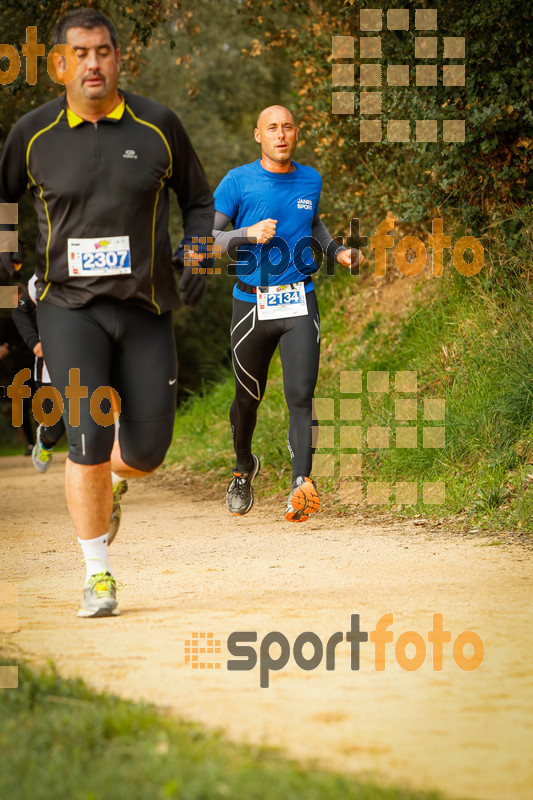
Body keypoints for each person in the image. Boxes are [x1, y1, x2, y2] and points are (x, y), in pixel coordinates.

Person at [0, 8, 213, 617]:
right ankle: (97, 573)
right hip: (70, 311)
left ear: (119, 57)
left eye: (103, 52)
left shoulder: (158, 127)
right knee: (87, 438)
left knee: (147, 450)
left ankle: (113, 484)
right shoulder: (33, 135)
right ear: (61, 63)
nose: (92, 64)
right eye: (80, 53)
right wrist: (7, 268)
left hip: (146, 308)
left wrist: (197, 254)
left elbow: (198, 200)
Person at [213, 105, 361, 522]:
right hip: (250, 304)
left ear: (297, 133)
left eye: (288, 127)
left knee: (301, 396)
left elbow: (313, 225)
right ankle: (243, 467)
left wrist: (338, 251)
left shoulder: (310, 179)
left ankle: (301, 485)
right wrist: (246, 233)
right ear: (257, 135)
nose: (281, 135)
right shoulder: (237, 182)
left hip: (299, 299)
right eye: (272, 128)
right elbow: (204, 242)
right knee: (248, 398)